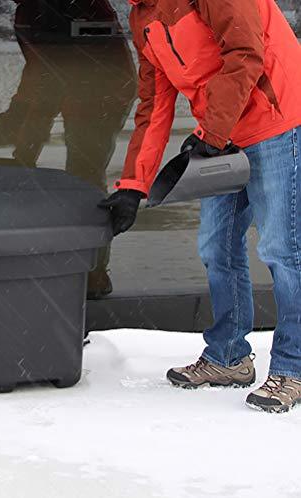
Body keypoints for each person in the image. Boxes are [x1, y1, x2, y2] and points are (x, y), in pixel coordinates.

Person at [99, 0, 301, 412]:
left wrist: (212, 130)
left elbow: (246, 52)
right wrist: (134, 184)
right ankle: (228, 356)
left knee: (283, 249)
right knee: (217, 246)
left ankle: (293, 367)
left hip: (278, 117)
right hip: (223, 134)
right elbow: (154, 103)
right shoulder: (143, 16)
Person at [0, 0, 137, 299]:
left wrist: (28, 141)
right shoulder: (29, 11)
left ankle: (93, 273)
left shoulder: (64, 8)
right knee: (73, 171)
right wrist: (21, 119)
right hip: (79, 85)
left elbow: (62, 72)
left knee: (84, 174)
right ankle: (66, 261)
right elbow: (40, 69)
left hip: (103, 93)